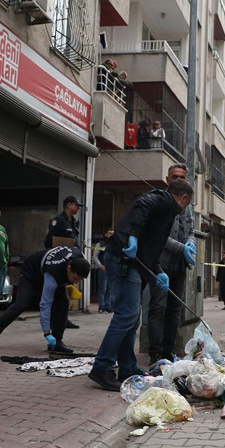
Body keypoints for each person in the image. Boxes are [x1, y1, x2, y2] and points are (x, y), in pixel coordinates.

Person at [89, 180, 194, 392]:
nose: (185, 210)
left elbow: (150, 248)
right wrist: (133, 237)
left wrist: (158, 271)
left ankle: (127, 367)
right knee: (126, 315)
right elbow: (141, 206)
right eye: (187, 204)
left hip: (132, 264)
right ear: (184, 198)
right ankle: (102, 367)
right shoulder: (161, 200)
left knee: (132, 316)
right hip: (122, 260)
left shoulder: (164, 212)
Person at [0, 247, 89, 353]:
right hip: (30, 273)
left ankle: (57, 342)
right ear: (69, 268)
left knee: (63, 303)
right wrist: (47, 333)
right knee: (21, 304)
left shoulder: (81, 258)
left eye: (79, 280)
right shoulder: (53, 273)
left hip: (50, 270)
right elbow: (45, 304)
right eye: (75, 278)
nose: (76, 282)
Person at [145, 164, 197, 364]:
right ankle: (155, 353)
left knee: (175, 311)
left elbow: (191, 230)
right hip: (161, 265)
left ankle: (168, 351)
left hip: (180, 266)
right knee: (158, 308)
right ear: (167, 179)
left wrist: (190, 243)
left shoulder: (187, 204)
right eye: (174, 177)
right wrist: (181, 248)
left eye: (182, 177)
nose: (178, 180)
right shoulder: (160, 201)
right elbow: (159, 236)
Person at [91, 229, 114, 313]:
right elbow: (95, 256)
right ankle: (101, 307)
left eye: (113, 233)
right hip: (103, 268)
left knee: (110, 289)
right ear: (105, 234)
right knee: (103, 288)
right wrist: (100, 265)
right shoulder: (100, 244)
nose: (111, 235)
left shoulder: (114, 244)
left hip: (112, 269)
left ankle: (108, 306)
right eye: (110, 233)